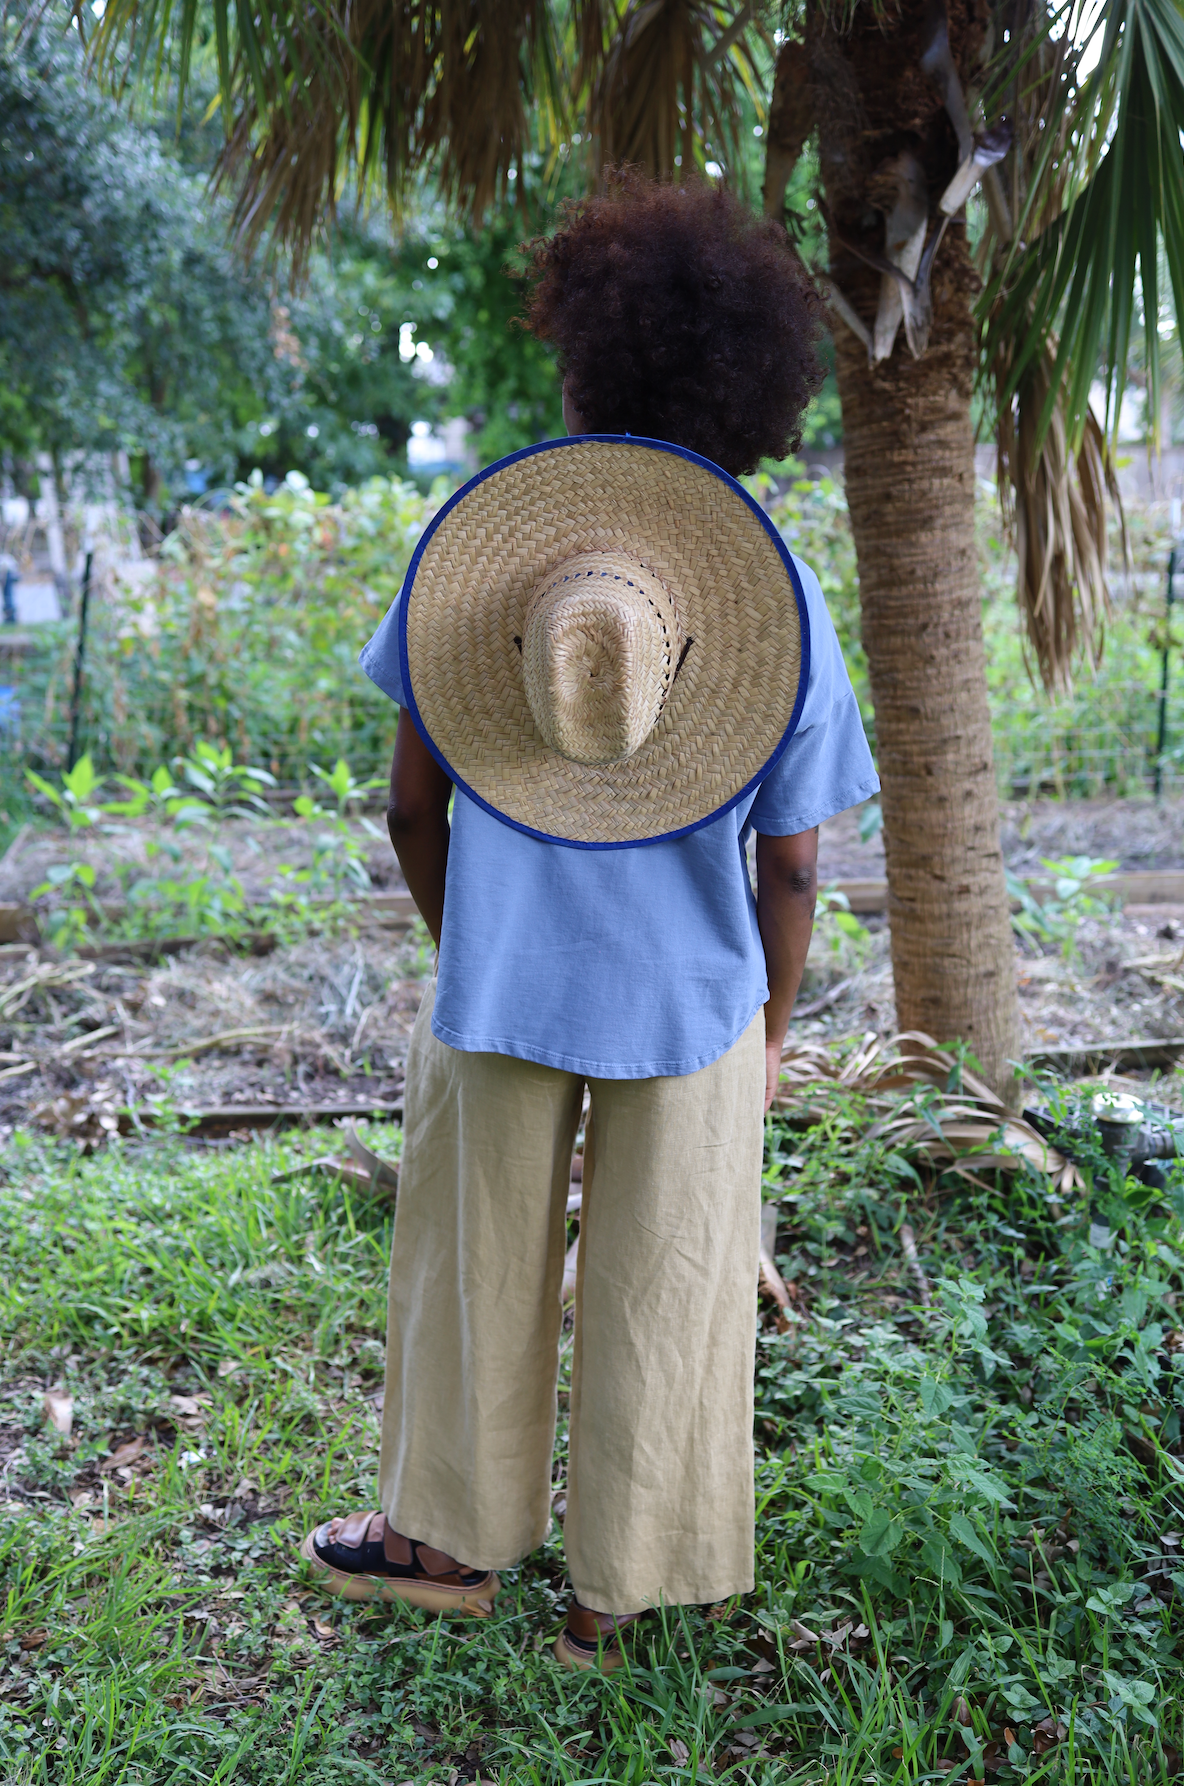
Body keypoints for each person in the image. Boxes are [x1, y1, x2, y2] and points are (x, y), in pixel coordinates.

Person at [300, 172, 879, 1671]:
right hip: (690, 1010)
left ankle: (441, 1544)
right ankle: (615, 1596)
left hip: (498, 988)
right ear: (750, 390)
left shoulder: (484, 556)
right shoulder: (782, 602)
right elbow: (797, 867)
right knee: (670, 1283)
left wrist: (467, 942)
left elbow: (411, 807)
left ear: (586, 359)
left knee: (471, 1265)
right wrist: (765, 1032)